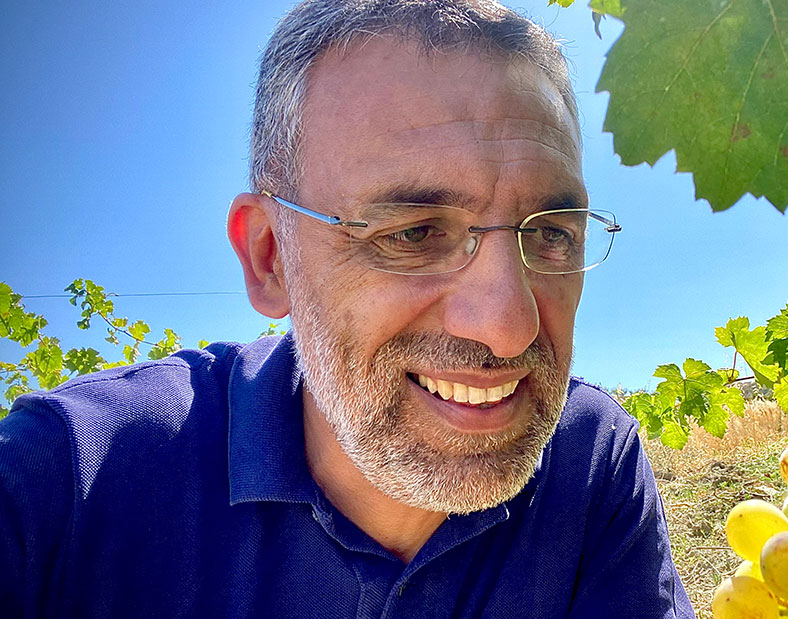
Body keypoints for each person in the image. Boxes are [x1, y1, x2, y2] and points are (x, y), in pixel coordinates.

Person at [0, 1, 692, 617]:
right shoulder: (64, 482)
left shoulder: (590, 457)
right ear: (271, 257)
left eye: (550, 233)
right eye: (415, 233)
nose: (509, 327)